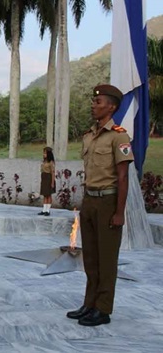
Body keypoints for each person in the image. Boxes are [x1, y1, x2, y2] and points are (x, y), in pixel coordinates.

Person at [66, 84, 134, 327]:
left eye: (99, 102)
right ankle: (89, 303)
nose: (94, 106)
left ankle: (103, 309)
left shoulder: (119, 136)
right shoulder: (89, 135)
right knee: (91, 258)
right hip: (90, 201)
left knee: (106, 259)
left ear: (112, 106)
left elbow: (123, 177)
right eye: (94, 102)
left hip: (108, 201)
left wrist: (119, 212)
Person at [38, 147, 56, 216]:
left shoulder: (51, 163)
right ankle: (44, 210)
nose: (43, 154)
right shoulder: (43, 162)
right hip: (44, 179)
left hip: (49, 178)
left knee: (49, 195)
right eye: (43, 153)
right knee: (45, 195)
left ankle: (48, 210)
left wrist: (52, 182)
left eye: (45, 153)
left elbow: (53, 173)